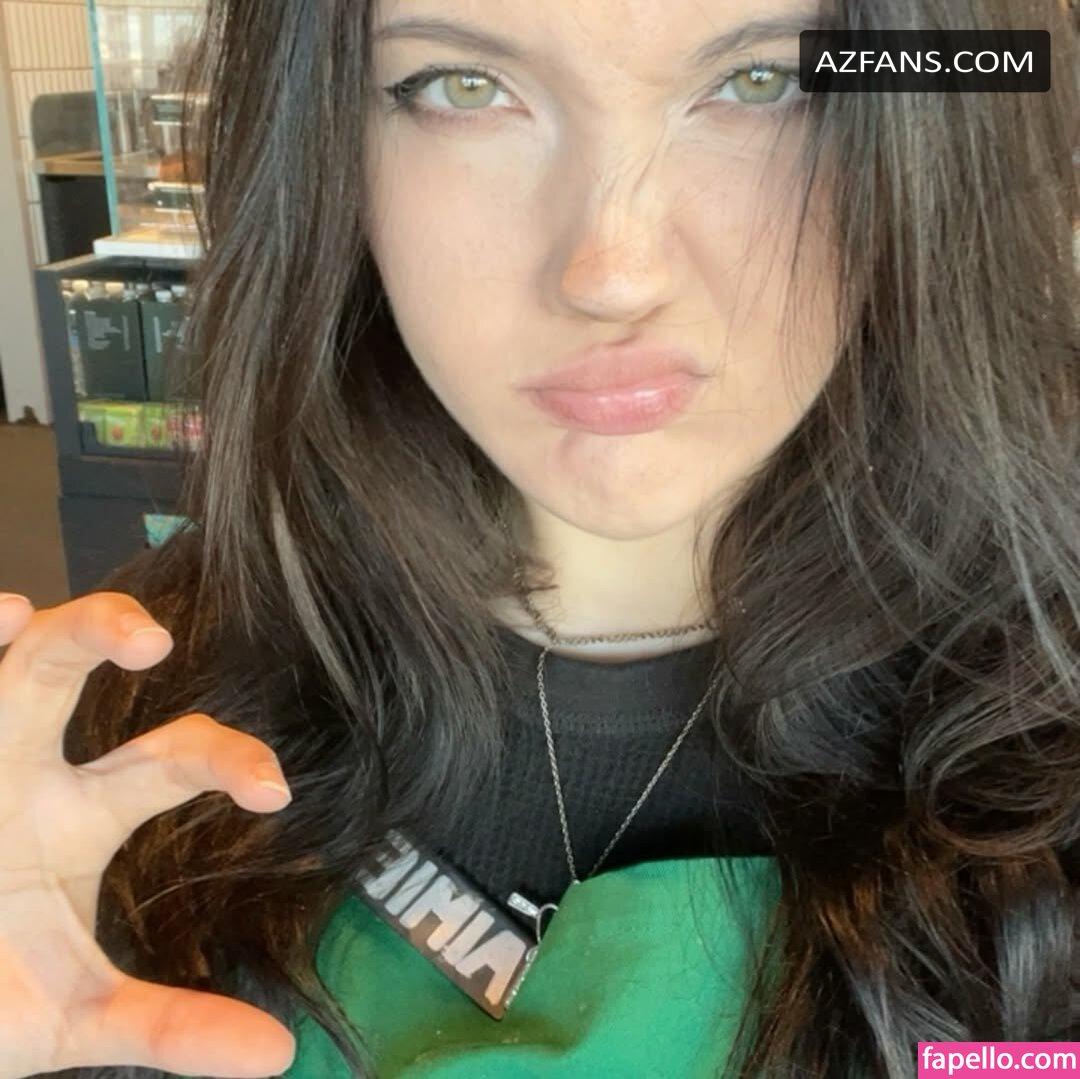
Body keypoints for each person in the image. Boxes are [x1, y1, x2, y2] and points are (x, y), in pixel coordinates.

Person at [0, 0, 1077, 1075]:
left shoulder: (1045, 724)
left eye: (766, 81)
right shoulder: (128, 727)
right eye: (463, 88)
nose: (613, 274)